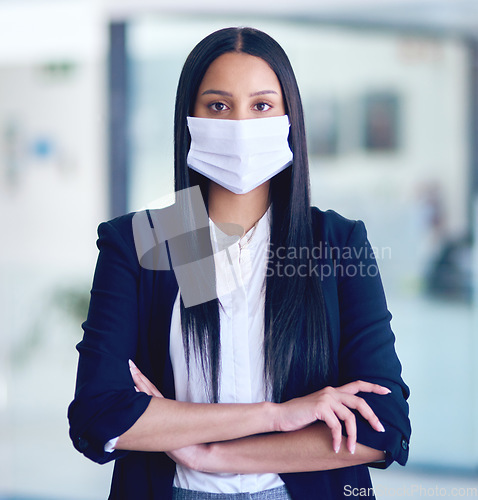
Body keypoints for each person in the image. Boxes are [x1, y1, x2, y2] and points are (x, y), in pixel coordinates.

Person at [68, 27, 411, 499]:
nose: (240, 125)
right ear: (189, 117)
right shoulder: (149, 240)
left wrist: (212, 453)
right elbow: (99, 418)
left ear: (290, 117)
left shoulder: (333, 242)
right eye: (218, 105)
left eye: (262, 105)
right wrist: (275, 415)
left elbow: (382, 427)